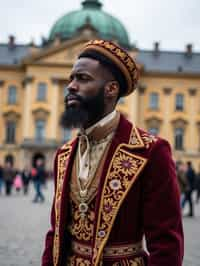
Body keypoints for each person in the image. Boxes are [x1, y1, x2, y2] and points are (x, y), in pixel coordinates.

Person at [42, 40, 183, 266]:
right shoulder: (64, 154)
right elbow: (55, 233)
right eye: (71, 78)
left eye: (83, 78)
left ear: (111, 89)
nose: (71, 86)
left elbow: (166, 244)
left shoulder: (150, 152)